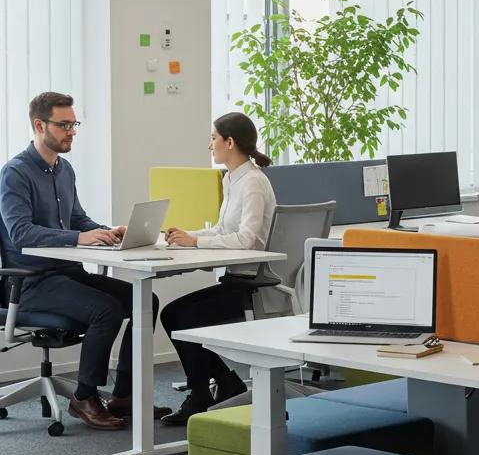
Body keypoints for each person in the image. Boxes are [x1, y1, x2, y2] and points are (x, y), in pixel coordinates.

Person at [0, 92, 168, 430]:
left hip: (68, 273)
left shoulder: (64, 170)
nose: (71, 131)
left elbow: (77, 219)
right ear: (39, 125)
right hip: (31, 282)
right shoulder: (14, 174)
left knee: (143, 300)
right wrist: (79, 238)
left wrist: (107, 232)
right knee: (105, 309)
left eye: (73, 124)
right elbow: (21, 233)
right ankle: (85, 396)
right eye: (63, 125)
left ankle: (124, 395)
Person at [159, 113, 276, 425]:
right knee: (172, 314)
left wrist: (195, 243)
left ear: (230, 142)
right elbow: (224, 229)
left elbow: (247, 240)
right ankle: (225, 383)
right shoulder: (231, 178)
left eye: (213, 138)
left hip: (251, 284)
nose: (209, 144)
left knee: (186, 317)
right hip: (235, 279)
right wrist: (190, 236)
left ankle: (200, 394)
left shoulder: (252, 182)